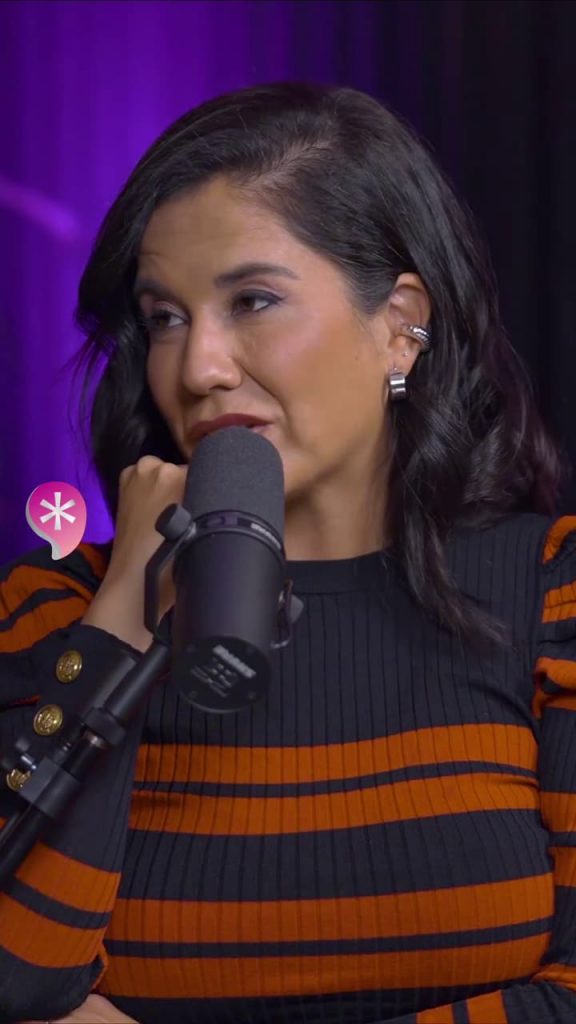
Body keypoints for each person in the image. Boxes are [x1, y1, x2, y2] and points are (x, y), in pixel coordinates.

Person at [0, 80, 575, 1024]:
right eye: (165, 317)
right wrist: (122, 614)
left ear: (400, 327)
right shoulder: (51, 610)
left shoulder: (551, 592)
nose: (198, 367)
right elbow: (19, 979)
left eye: (254, 300)